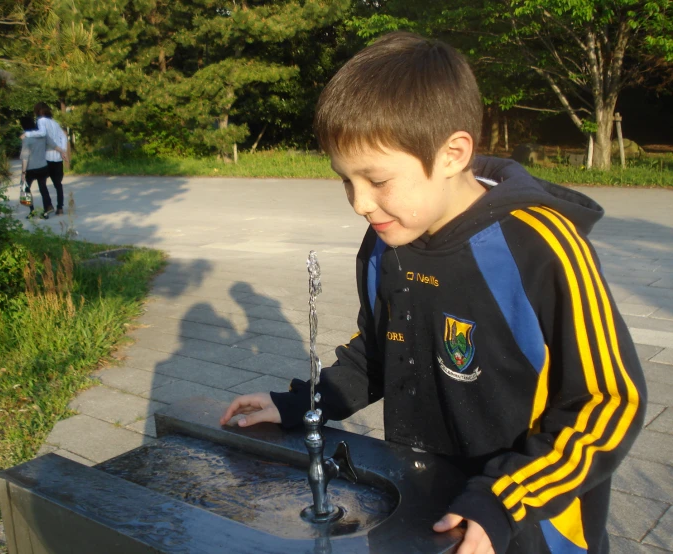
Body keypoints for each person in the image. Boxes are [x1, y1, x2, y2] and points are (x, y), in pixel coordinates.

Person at [219, 32, 646, 554]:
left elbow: (609, 402)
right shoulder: (386, 240)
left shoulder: (539, 248)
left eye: (376, 180)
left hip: (530, 521)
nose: (359, 203)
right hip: (424, 508)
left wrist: (504, 501)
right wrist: (303, 404)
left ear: (452, 153)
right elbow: (379, 352)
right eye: (345, 180)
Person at [21, 102, 69, 215]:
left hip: (46, 156)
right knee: (58, 184)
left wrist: (27, 134)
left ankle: (40, 208)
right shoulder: (55, 123)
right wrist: (63, 151)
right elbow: (63, 136)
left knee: (41, 183)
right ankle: (60, 207)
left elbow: (42, 133)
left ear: (37, 111)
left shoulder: (41, 121)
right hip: (57, 156)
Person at [19, 117, 53, 219]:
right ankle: (47, 210)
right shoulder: (41, 136)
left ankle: (32, 211)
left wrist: (23, 173)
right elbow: (51, 145)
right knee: (43, 188)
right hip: (43, 166)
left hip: (31, 168)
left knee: (25, 187)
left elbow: (25, 157)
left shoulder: (27, 139)